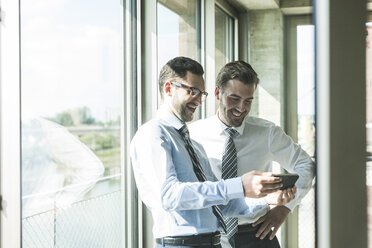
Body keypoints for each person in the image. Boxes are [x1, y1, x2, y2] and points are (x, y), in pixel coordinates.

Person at [130, 57, 296, 248]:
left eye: (202, 94)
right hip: (181, 244)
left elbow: (220, 207)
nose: (199, 101)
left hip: (212, 243)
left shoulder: (194, 145)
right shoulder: (153, 133)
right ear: (169, 89)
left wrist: (265, 199)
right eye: (192, 91)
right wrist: (239, 185)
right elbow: (169, 196)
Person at [189, 61, 315, 248]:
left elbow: (306, 165)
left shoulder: (267, 133)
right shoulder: (193, 135)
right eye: (234, 98)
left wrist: (284, 209)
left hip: (256, 234)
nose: (241, 108)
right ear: (217, 93)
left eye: (248, 100)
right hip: (209, 235)